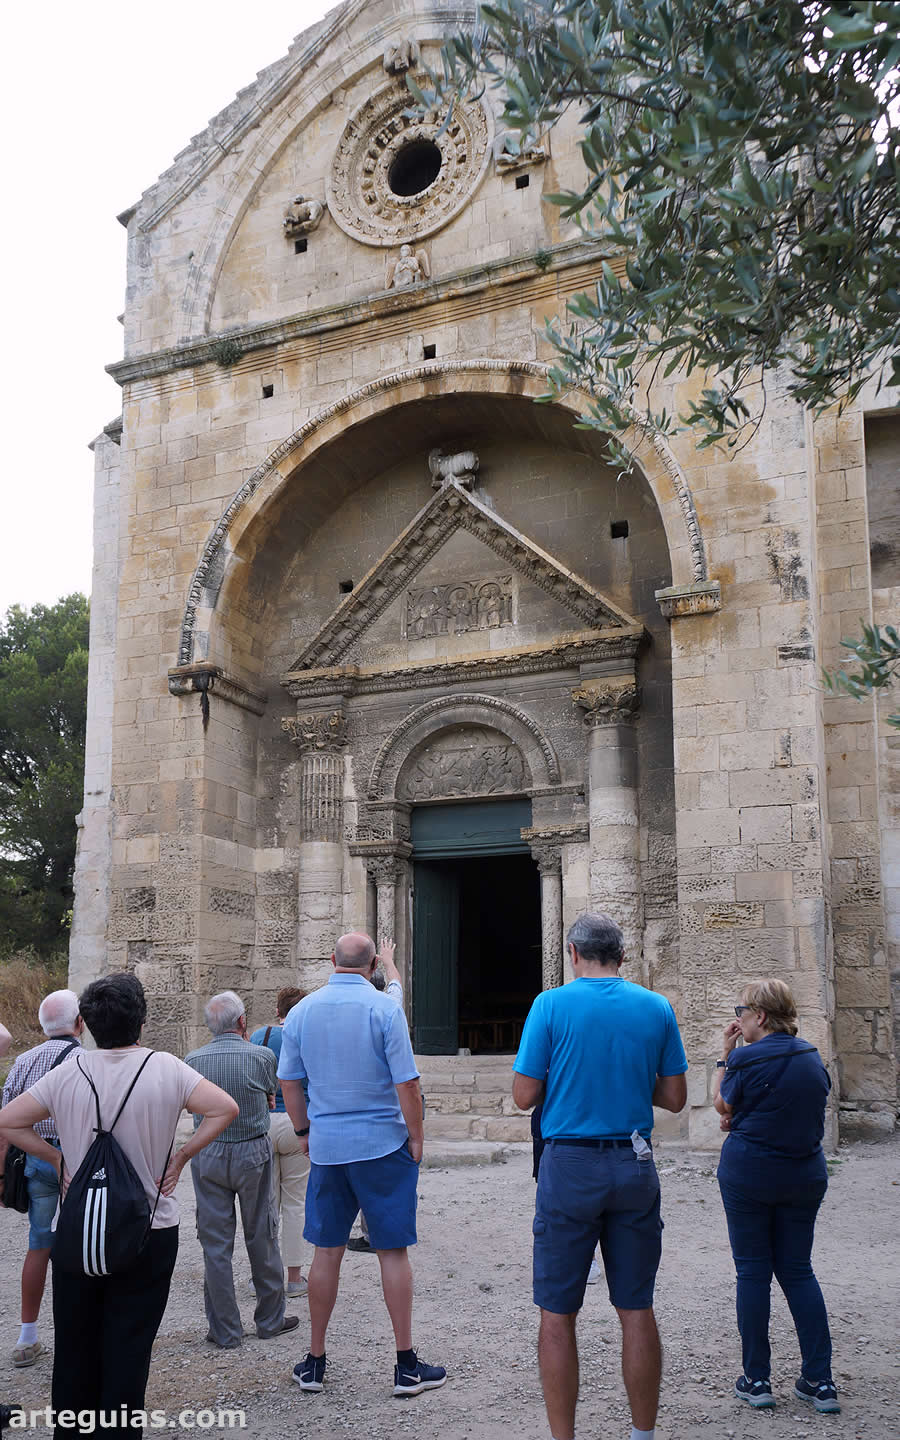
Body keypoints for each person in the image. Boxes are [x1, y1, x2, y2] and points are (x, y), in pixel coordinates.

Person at [0, 972, 237, 1440]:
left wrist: (57, 1157)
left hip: (80, 1225)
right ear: (142, 1021)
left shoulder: (68, 1071)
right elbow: (223, 1107)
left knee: (74, 1344)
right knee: (130, 1347)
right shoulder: (167, 1068)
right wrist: (183, 1155)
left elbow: (9, 1120)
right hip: (148, 1225)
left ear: (85, 1023)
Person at [513, 911, 688, 1440]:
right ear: (622, 954)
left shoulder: (550, 1005)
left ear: (571, 953)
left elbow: (524, 1096)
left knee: (558, 1310)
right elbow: (676, 1099)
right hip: (633, 1162)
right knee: (636, 1305)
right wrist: (633, 1083)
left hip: (570, 1163)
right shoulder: (656, 1007)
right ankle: (642, 1434)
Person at [278, 932, 446, 1398]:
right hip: (382, 1143)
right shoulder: (384, 1008)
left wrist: (305, 1131)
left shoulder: (301, 1013)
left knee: (326, 1252)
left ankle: (314, 1361)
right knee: (392, 1251)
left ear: (331, 959)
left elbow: (289, 1081)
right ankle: (406, 1365)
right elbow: (406, 1083)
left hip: (328, 1147)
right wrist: (416, 1136)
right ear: (373, 962)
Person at [713, 978, 839, 1414]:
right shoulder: (811, 1057)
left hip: (750, 1174)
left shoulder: (745, 1059)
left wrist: (723, 1059)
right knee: (798, 1270)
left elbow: (722, 1106)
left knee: (752, 1272)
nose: (737, 1019)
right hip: (804, 1174)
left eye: (741, 1011)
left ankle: (757, 1379)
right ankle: (820, 1381)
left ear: (760, 1016)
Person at [185, 991, 300, 1349]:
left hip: (208, 1151)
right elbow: (270, 1094)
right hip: (252, 1148)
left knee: (215, 1243)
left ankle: (225, 1329)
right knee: (262, 1234)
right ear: (241, 1022)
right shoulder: (262, 1055)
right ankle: (269, 1319)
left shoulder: (192, 1059)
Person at [0, 990, 83, 1368]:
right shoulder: (86, 1061)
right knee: (84, 1244)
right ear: (80, 1022)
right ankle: (80, 1334)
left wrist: (1, 1175)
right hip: (76, 1160)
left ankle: (26, 1337)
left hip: (34, 1159)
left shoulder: (23, 1060)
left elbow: (5, 1123)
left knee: (39, 1245)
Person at [250, 986, 309, 1296]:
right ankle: (295, 1278)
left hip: (262, 1121)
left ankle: (262, 1274)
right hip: (297, 1122)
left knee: (265, 1203)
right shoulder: (309, 1037)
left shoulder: (260, 1036)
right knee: (296, 1203)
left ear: (278, 1011)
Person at [347, 938, 404, 1255]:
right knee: (383, 1176)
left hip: (351, 1108)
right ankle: (382, 1231)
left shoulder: (338, 1008)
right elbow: (396, 985)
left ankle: (369, 1233)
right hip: (385, 1108)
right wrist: (388, 959)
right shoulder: (389, 1007)